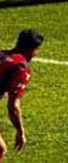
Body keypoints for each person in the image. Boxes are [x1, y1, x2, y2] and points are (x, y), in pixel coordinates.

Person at [0, 29, 43, 161]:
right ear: (32, 50)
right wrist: (20, 132)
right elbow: (13, 106)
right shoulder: (20, 68)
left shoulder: (2, 54)